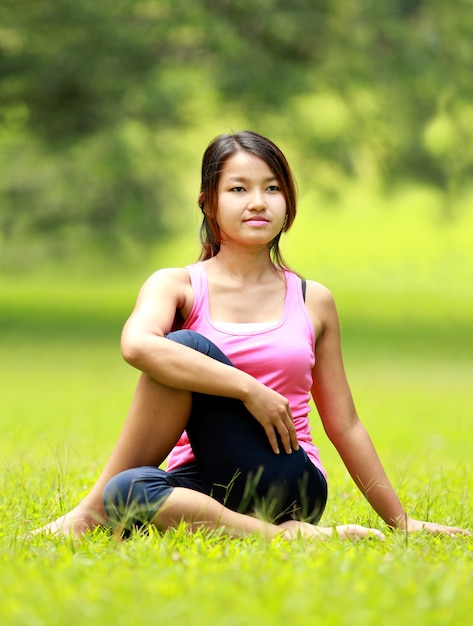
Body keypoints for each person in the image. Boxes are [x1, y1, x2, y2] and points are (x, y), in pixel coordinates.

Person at [35, 130, 469, 542]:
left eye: (272, 189)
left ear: (289, 203)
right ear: (209, 203)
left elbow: (345, 423)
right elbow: (137, 345)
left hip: (284, 476)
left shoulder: (311, 299)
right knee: (128, 489)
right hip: (197, 480)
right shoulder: (176, 286)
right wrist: (248, 389)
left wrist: (402, 522)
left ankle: (90, 519)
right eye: (239, 189)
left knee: (184, 347)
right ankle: (282, 538)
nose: (258, 203)